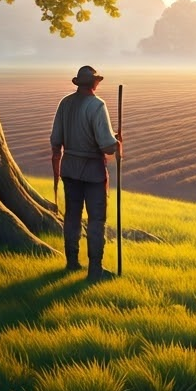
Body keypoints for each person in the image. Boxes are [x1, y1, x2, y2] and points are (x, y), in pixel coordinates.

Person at [50, 65, 121, 281]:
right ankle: (95, 270)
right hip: (93, 173)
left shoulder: (65, 103)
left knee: (72, 216)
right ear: (94, 83)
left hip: (70, 168)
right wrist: (117, 142)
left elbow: (56, 139)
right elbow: (106, 145)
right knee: (96, 220)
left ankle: (71, 262)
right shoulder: (97, 105)